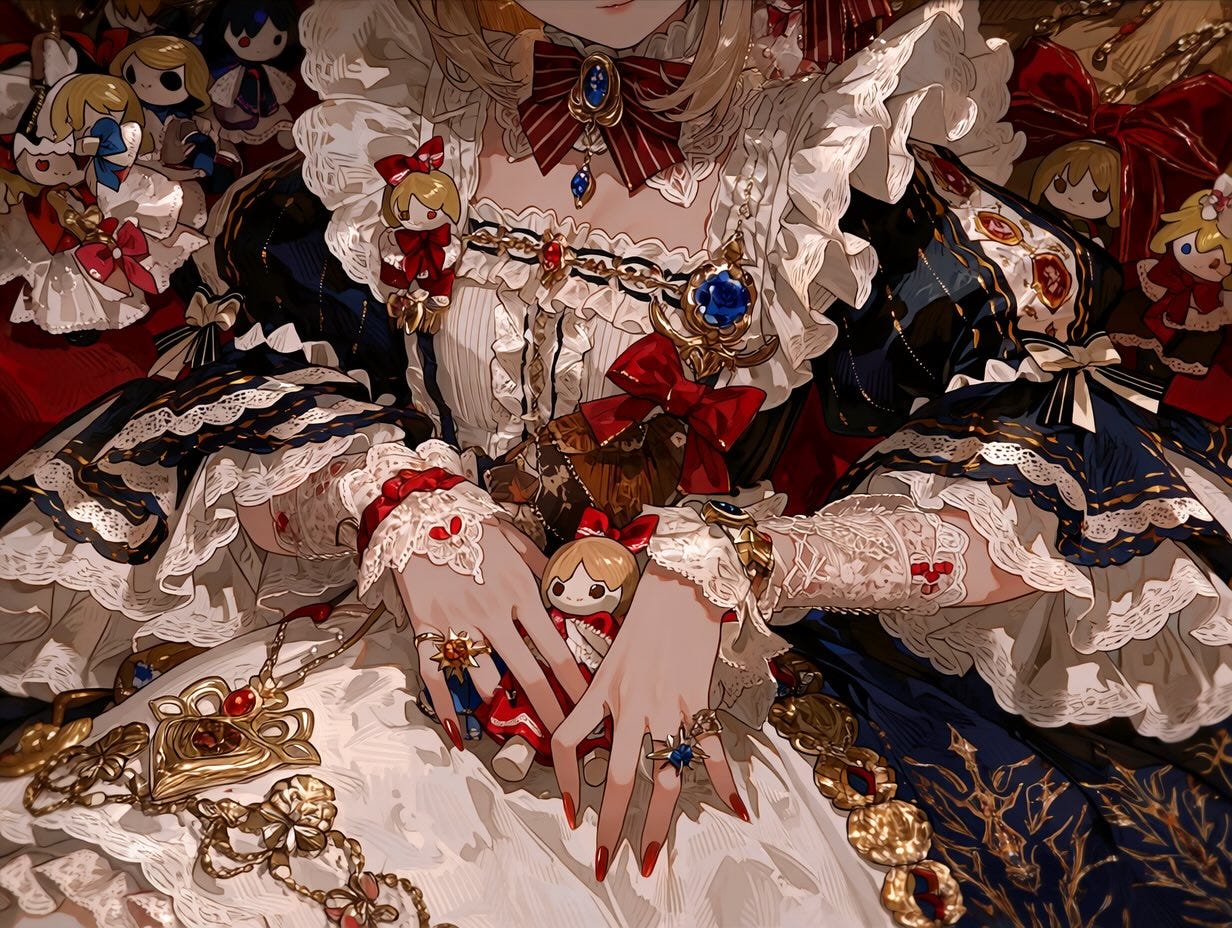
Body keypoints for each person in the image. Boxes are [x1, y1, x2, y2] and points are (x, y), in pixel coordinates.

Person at [0, 2, 1229, 927]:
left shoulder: (836, 145)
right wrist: (396, 501)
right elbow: (258, 379)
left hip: (708, 687)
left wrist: (734, 567)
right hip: (404, 630)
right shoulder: (397, 100)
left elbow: (1029, 464)